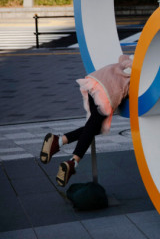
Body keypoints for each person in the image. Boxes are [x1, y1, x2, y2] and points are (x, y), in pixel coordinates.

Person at [40, 54, 133, 187]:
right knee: (94, 127)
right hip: (106, 93)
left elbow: (122, 57)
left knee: (95, 126)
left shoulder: (128, 62)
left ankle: (58, 141)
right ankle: (73, 161)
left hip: (96, 81)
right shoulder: (140, 75)